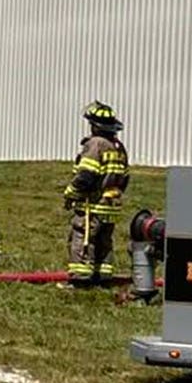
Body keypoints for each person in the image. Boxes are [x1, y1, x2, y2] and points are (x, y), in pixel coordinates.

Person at [62, 101, 129, 288]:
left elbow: (86, 176)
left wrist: (71, 193)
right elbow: (125, 177)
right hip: (111, 206)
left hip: (93, 205)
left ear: (95, 126)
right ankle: (104, 277)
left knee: (83, 238)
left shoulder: (95, 144)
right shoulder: (118, 147)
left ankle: (80, 280)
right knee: (104, 241)